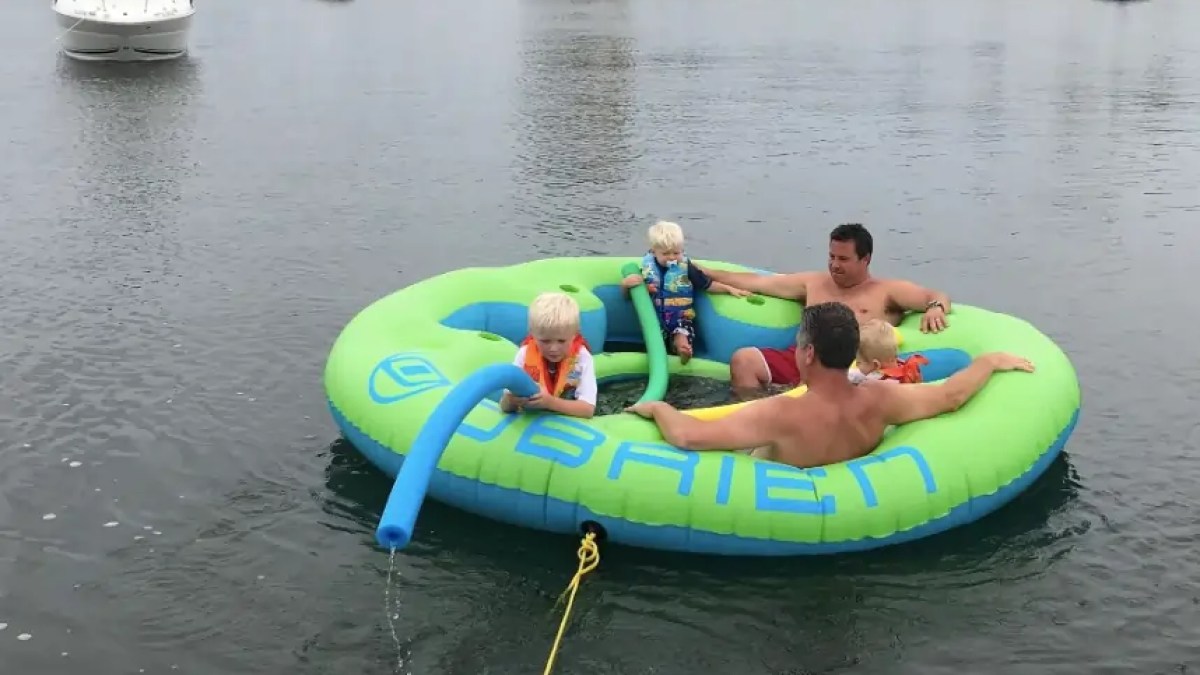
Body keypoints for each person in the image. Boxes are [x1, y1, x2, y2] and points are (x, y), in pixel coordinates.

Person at [625, 301, 1034, 469]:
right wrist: (989, 360)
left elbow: (687, 437)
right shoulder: (881, 398)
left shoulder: (782, 412)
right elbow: (951, 395)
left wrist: (657, 407)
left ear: (806, 354)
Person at [692, 223, 952, 392]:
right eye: (831, 257)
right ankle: (756, 420)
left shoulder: (886, 291)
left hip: (851, 369)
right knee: (743, 360)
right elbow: (757, 282)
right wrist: (696, 271)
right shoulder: (813, 283)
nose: (834, 265)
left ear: (866, 259)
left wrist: (936, 307)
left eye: (843, 259)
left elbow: (934, 295)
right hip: (803, 357)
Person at [621, 220, 750, 365]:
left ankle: (682, 347)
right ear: (653, 251)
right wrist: (626, 286)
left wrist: (729, 289)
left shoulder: (686, 267)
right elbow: (629, 297)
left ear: (682, 249)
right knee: (655, 339)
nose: (671, 257)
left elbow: (706, 284)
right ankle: (671, 350)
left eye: (676, 253)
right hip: (654, 319)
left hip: (680, 316)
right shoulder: (647, 269)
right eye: (665, 254)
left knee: (682, 331)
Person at [500, 292, 597, 419]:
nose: (553, 348)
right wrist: (512, 401)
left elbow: (588, 409)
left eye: (562, 341)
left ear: (575, 334)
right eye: (545, 341)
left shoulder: (583, 358)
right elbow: (504, 405)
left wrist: (550, 402)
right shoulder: (524, 354)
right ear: (532, 334)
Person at [848, 318, 929, 384]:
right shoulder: (900, 366)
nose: (857, 366)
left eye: (858, 362)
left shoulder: (881, 383)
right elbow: (856, 375)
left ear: (876, 365)